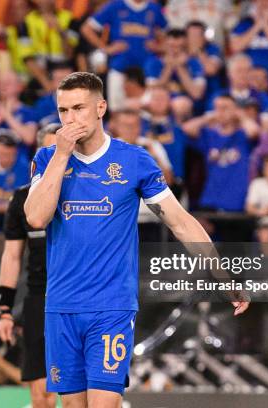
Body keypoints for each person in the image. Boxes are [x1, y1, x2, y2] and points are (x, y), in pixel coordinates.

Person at [24, 72, 249, 406]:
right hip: (62, 305)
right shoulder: (46, 159)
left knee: (105, 403)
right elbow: (36, 217)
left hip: (111, 305)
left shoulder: (134, 161)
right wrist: (61, 155)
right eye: (63, 111)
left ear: (101, 108)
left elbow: (181, 223)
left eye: (78, 108)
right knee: (71, 405)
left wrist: (220, 273)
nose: (70, 119)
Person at [0, 124, 60, 408]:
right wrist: (5, 311)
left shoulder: (86, 192)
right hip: (38, 301)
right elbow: (11, 256)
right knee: (41, 397)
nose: (55, 156)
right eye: (48, 150)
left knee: (78, 392)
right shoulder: (21, 199)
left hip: (78, 299)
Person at [81, 0, 166, 111]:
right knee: (116, 108)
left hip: (148, 66)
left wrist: (158, 47)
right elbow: (86, 28)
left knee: (151, 107)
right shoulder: (115, 5)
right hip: (119, 64)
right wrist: (106, 48)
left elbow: (168, 35)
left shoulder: (154, 8)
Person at [182, 93, 260, 212]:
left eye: (225, 108)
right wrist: (207, 117)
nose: (220, 112)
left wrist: (240, 116)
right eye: (217, 108)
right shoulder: (210, 135)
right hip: (210, 199)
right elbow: (187, 128)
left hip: (236, 201)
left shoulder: (242, 135)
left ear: (235, 110)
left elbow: (254, 131)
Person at [144, 28, 206, 121]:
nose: (175, 51)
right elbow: (153, 90)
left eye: (180, 47)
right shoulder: (154, 62)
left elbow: (196, 94)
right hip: (160, 98)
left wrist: (180, 68)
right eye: (172, 46)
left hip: (184, 102)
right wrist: (169, 67)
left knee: (180, 105)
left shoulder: (194, 63)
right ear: (165, 45)